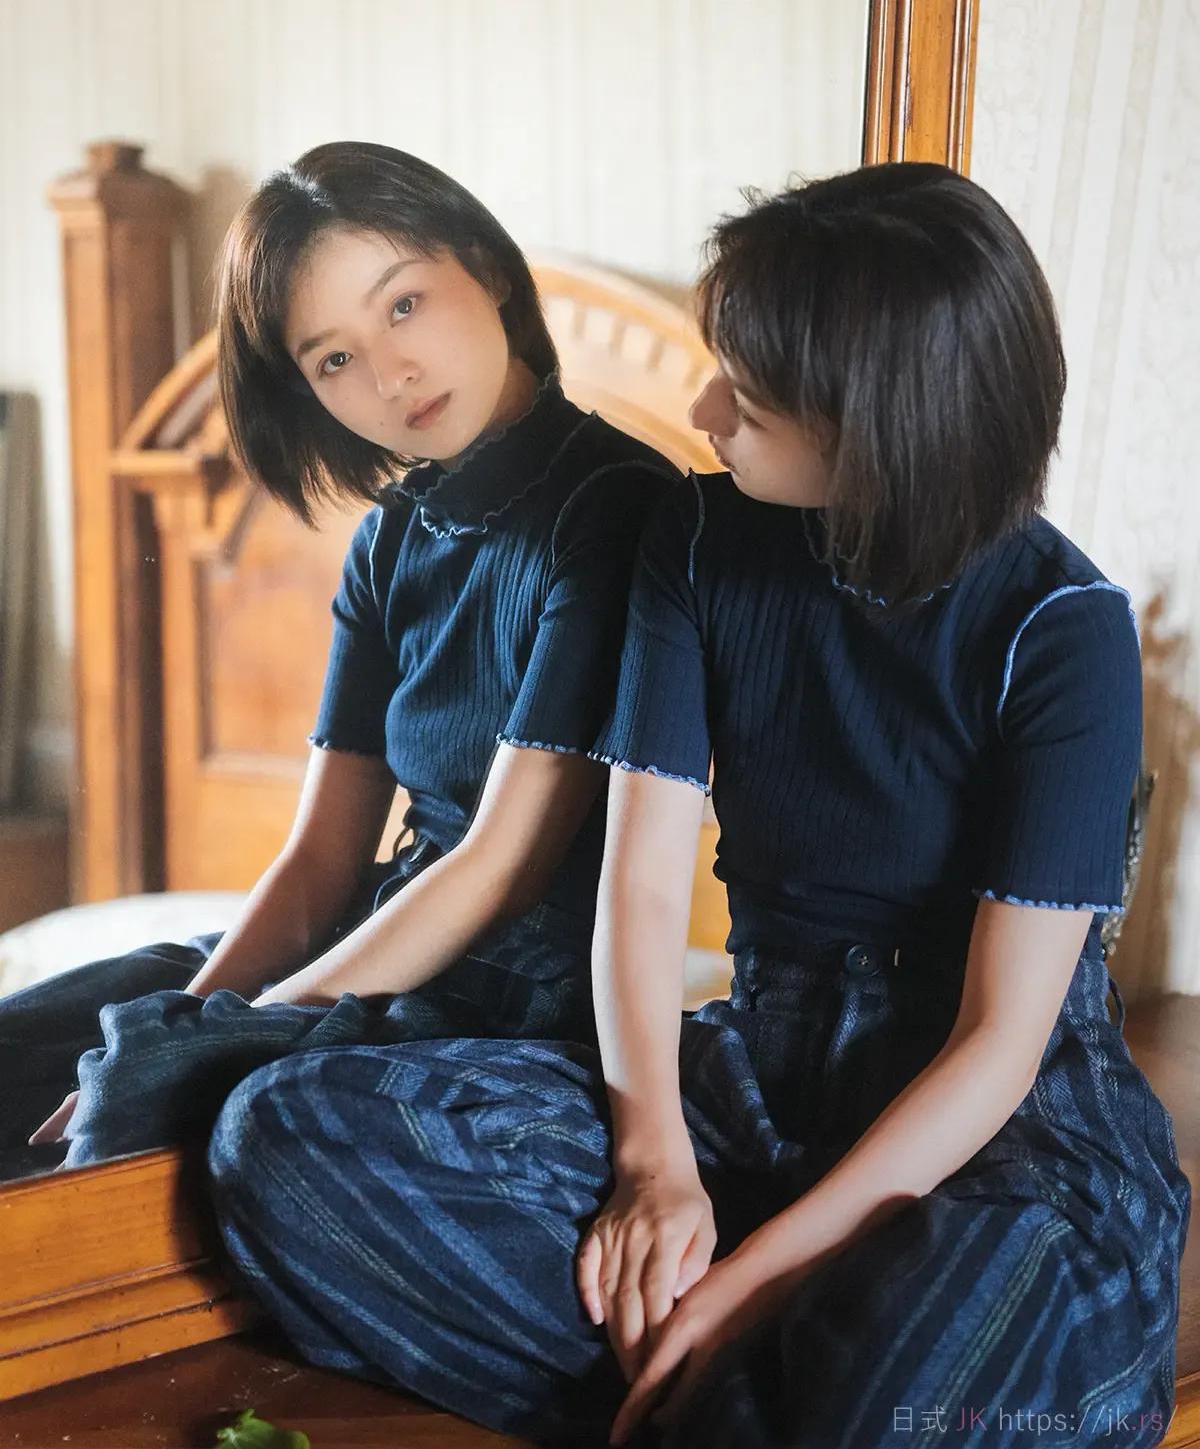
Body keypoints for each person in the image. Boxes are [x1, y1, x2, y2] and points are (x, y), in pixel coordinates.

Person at [210, 162, 1189, 1449]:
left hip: (995, 1122)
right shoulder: (695, 539)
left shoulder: (1064, 628)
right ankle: (727, 1403)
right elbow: (642, 885)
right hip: (758, 1068)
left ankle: (722, 1382)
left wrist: (745, 1285)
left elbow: (1001, 1042)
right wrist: (653, 1160)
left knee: (897, 1385)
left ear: (874, 421)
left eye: (749, 396)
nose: (704, 409)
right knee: (286, 1136)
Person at [0, 140, 676, 1177]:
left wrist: (220, 1044)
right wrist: (190, 1019)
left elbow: (501, 867)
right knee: (33, 1044)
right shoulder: (392, 537)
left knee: (171, 1110)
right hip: (377, 941)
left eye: (403, 304)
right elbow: (322, 859)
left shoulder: (620, 508)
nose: (391, 373)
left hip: (514, 995)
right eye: (333, 360)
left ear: (486, 268)